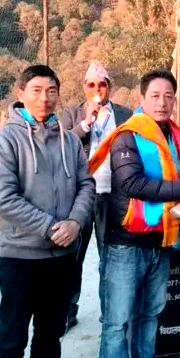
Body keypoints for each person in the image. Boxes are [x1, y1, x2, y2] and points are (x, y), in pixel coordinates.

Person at [89, 69, 180, 358]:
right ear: (142, 99)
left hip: (160, 240)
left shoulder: (173, 137)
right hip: (126, 244)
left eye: (169, 96)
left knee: (149, 315)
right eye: (155, 96)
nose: (162, 102)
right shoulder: (128, 135)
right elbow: (132, 183)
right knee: (117, 321)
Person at [0, 64, 95, 358]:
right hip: (20, 258)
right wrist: (51, 227)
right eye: (36, 90)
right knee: (12, 335)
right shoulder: (3, 140)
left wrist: (75, 222)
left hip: (61, 259)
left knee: (50, 335)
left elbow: (86, 185)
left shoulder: (69, 141)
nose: (44, 98)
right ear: (21, 94)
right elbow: (4, 199)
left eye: (51, 91)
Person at [61, 60, 133, 328]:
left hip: (112, 196)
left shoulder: (124, 114)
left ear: (109, 87)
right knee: (73, 257)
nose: (97, 89)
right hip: (80, 196)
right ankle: (68, 312)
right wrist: (86, 123)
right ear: (84, 87)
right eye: (91, 85)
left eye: (102, 84)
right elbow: (62, 145)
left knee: (110, 257)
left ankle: (109, 312)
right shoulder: (72, 113)